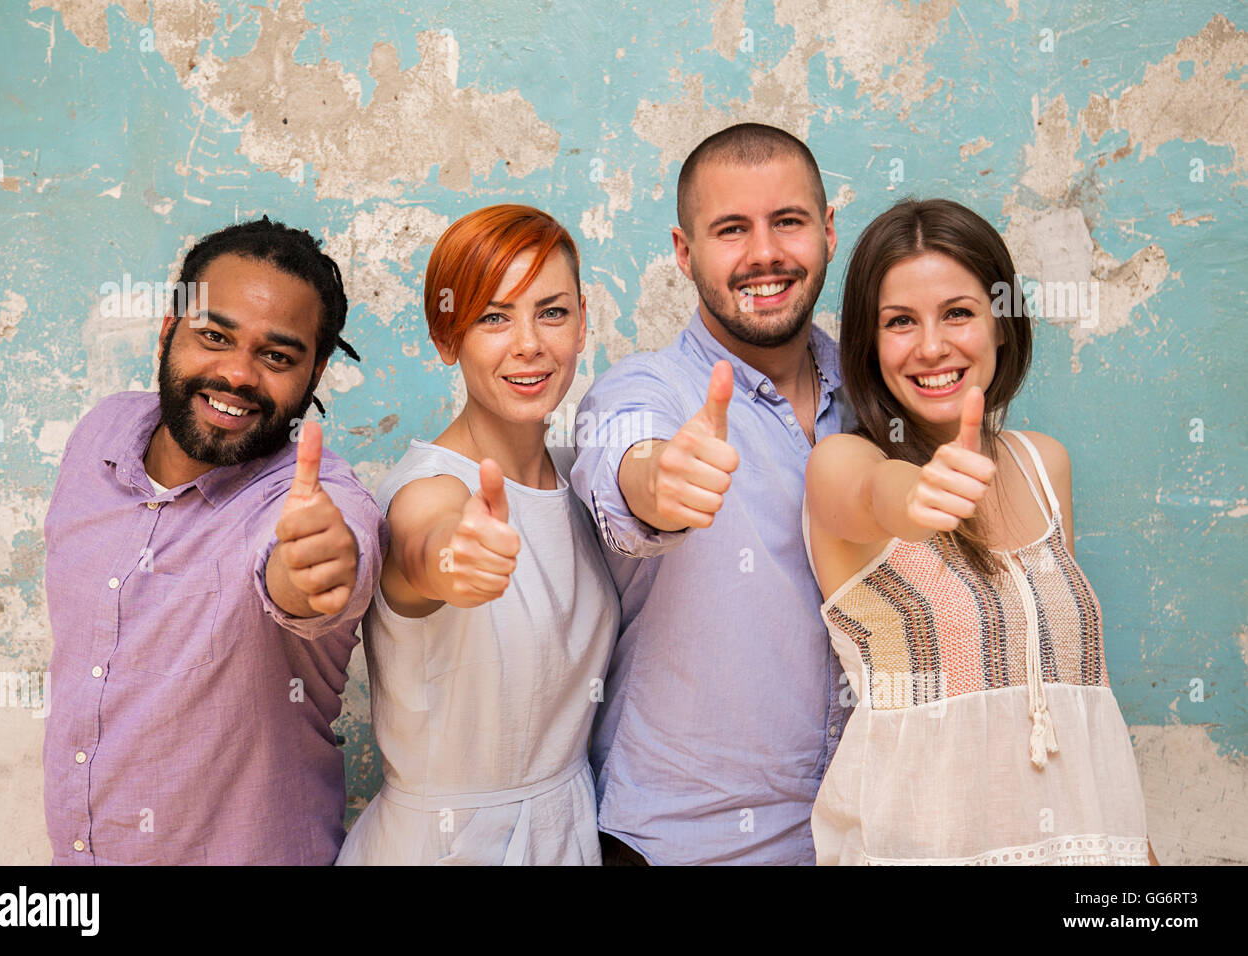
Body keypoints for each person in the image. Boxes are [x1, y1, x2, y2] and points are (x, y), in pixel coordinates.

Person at [802, 197, 1156, 865]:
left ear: (1001, 323)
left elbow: (1084, 707)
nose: (932, 346)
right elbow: (877, 499)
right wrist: (920, 495)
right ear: (870, 346)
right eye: (900, 321)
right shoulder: (844, 464)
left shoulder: (1044, 465)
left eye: (958, 313)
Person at [43, 218, 384, 865]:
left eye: (277, 356)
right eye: (214, 336)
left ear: (313, 375)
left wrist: (316, 568)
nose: (237, 374)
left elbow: (315, 571)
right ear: (170, 330)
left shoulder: (317, 500)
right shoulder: (99, 435)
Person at [570, 123, 849, 865]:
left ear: (826, 231)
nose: (764, 253)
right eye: (731, 229)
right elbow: (626, 464)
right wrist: (658, 483)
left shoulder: (879, 390)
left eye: (787, 221)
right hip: (682, 847)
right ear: (685, 252)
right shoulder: (645, 391)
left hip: (861, 836)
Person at [336, 204, 619, 866]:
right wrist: (447, 559)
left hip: (566, 832)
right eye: (493, 317)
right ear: (446, 337)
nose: (528, 344)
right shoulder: (430, 490)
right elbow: (422, 542)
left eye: (551, 312)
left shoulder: (579, 479)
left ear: (582, 322)